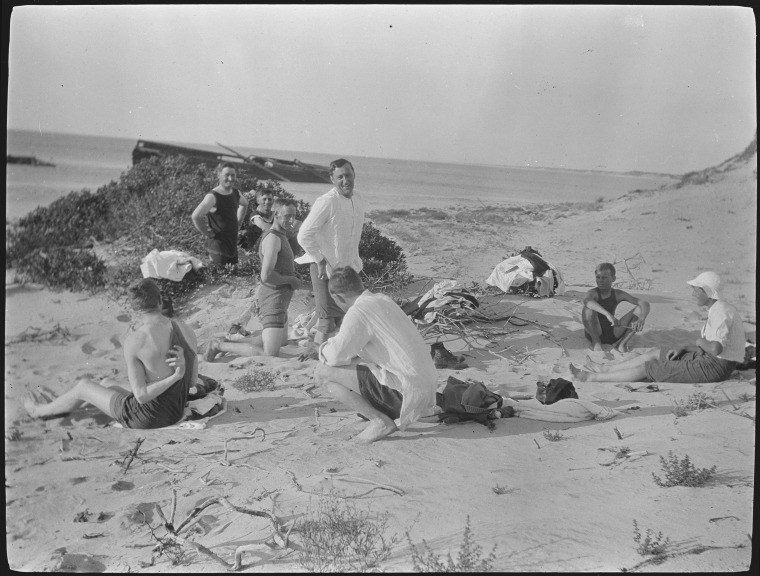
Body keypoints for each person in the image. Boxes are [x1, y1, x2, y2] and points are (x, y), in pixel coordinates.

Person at [24, 279, 198, 428]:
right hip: (176, 408)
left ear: (134, 309)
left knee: (83, 386)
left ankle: (39, 412)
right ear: (160, 300)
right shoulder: (184, 329)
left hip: (149, 419)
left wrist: (174, 377)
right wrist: (173, 377)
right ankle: (65, 407)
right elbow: (191, 382)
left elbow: (142, 396)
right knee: (107, 382)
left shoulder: (135, 341)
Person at [306, 267, 438, 442]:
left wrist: (317, 348)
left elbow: (335, 357)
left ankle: (379, 421)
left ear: (336, 297)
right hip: (426, 393)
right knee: (355, 364)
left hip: (407, 394)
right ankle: (376, 412)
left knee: (323, 373)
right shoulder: (383, 300)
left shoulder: (358, 311)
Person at [571, 271, 745, 384]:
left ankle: (593, 377)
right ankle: (605, 369)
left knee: (649, 368)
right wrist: (685, 346)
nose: (693, 294)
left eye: (695, 290)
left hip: (713, 368)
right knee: (656, 353)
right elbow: (717, 348)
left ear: (706, 292)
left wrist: (699, 341)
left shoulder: (720, 312)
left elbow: (715, 348)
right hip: (710, 360)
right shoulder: (719, 308)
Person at [206, 198, 302, 359]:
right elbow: (266, 275)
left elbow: (280, 268)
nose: (291, 220)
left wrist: (294, 275)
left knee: (283, 342)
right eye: (287, 216)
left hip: (280, 302)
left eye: (293, 216)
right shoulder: (273, 238)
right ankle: (218, 345)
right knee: (270, 353)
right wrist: (291, 281)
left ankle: (230, 341)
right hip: (273, 300)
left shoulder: (281, 235)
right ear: (276, 214)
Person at [297, 159, 365, 344]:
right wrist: (320, 261)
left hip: (347, 271)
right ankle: (317, 358)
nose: (345, 180)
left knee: (346, 321)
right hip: (324, 271)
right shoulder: (327, 201)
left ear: (354, 175)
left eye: (348, 175)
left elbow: (352, 237)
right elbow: (303, 235)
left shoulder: (357, 198)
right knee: (326, 323)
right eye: (340, 177)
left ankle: (327, 354)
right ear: (332, 179)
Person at [582, 262, 651, 352]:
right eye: (598, 277)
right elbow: (587, 301)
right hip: (594, 333)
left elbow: (644, 303)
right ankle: (596, 342)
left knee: (639, 309)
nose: (600, 280)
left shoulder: (618, 294)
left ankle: (622, 343)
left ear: (613, 279)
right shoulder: (593, 292)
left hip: (612, 333)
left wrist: (641, 319)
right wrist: (608, 314)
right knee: (588, 309)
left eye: (604, 277)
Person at [191, 162, 249, 266]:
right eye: (226, 175)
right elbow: (196, 216)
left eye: (233, 175)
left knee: (233, 275)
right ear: (219, 175)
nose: (230, 178)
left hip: (232, 244)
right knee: (218, 276)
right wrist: (208, 233)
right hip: (217, 245)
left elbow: (245, 204)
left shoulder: (236, 193)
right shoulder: (213, 196)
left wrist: (239, 222)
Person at [248, 187, 302, 255]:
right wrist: (287, 232)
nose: (267, 202)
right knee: (271, 232)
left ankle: (293, 257)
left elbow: (298, 223)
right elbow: (265, 228)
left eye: (270, 199)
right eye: (264, 199)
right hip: (258, 247)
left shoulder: (275, 214)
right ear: (258, 201)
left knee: (295, 234)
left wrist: (292, 230)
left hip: (274, 242)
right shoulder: (255, 215)